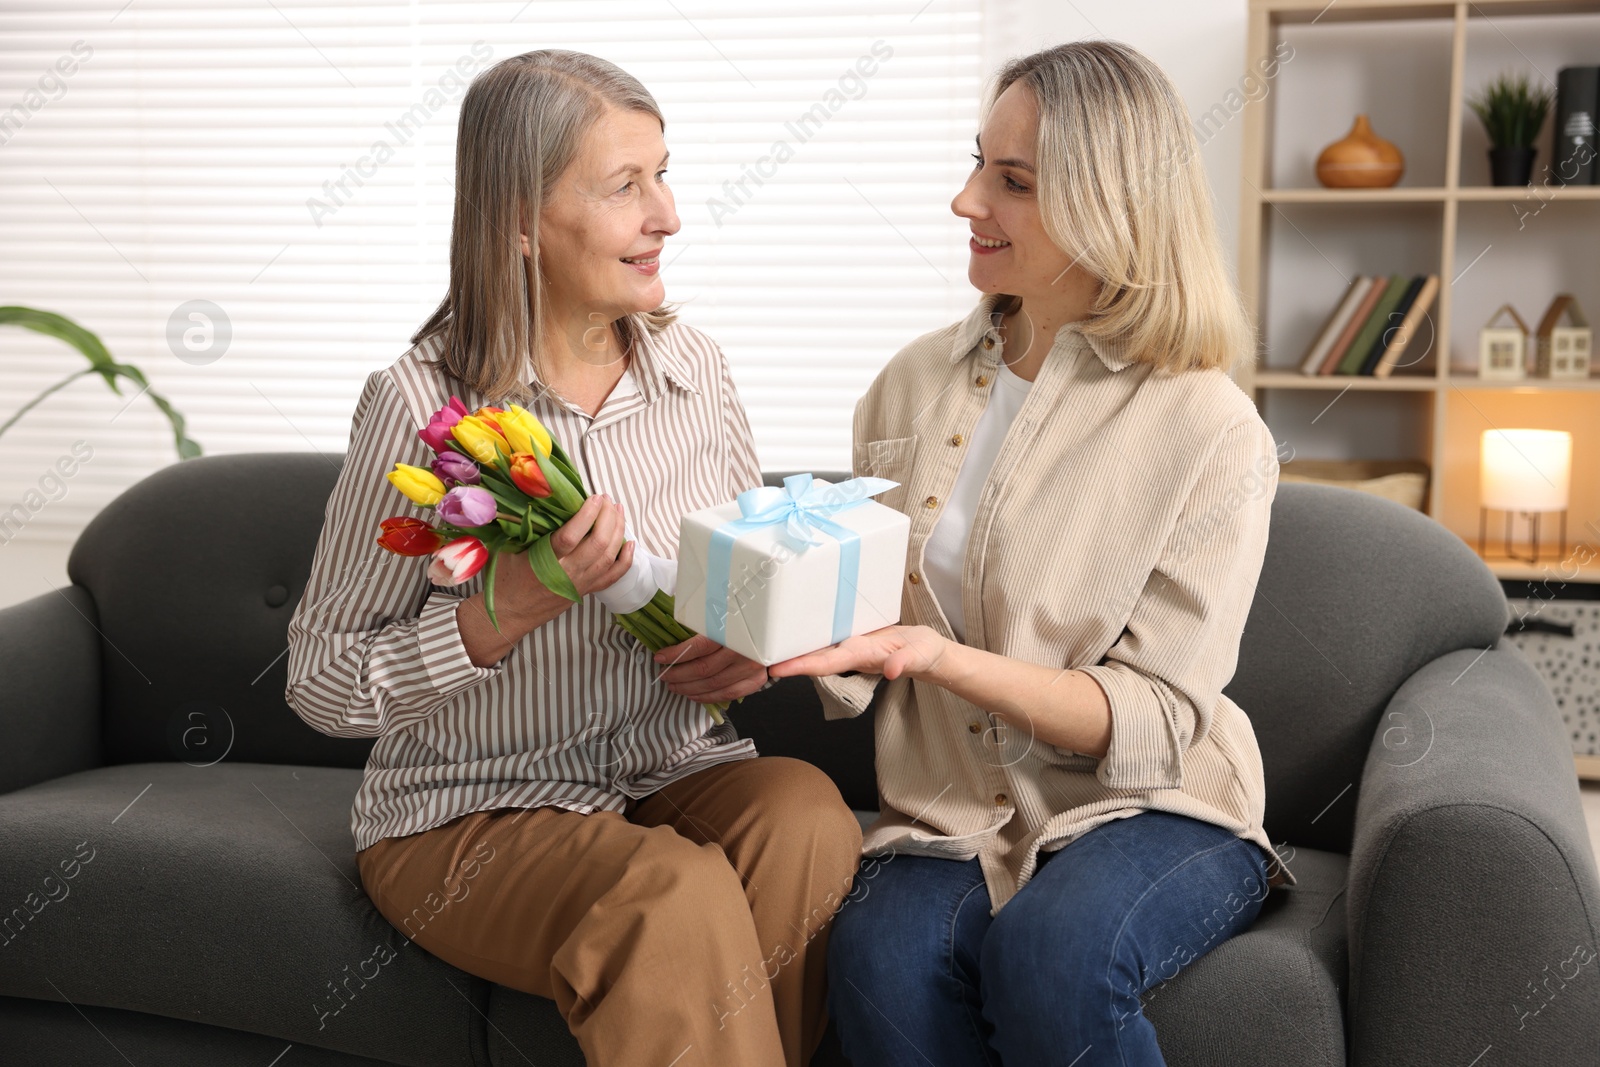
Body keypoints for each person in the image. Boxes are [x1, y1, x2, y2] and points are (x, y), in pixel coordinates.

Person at [285, 50, 861, 1067]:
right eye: (624, 187)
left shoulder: (696, 371)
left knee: (807, 816)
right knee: (666, 892)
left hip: (673, 767)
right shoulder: (420, 405)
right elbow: (324, 683)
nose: (668, 214)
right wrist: (504, 606)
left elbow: (750, 578)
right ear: (518, 220)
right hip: (467, 808)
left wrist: (750, 651)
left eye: (663, 173)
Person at [768, 40, 1297, 1067]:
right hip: (950, 808)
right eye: (978, 163)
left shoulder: (1210, 429)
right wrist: (774, 618)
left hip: (1154, 803)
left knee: (1055, 952)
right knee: (878, 954)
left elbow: (1153, 714)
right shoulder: (908, 384)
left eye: (1011, 181)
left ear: (1109, 206)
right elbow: (862, 613)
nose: (966, 200)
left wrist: (937, 657)